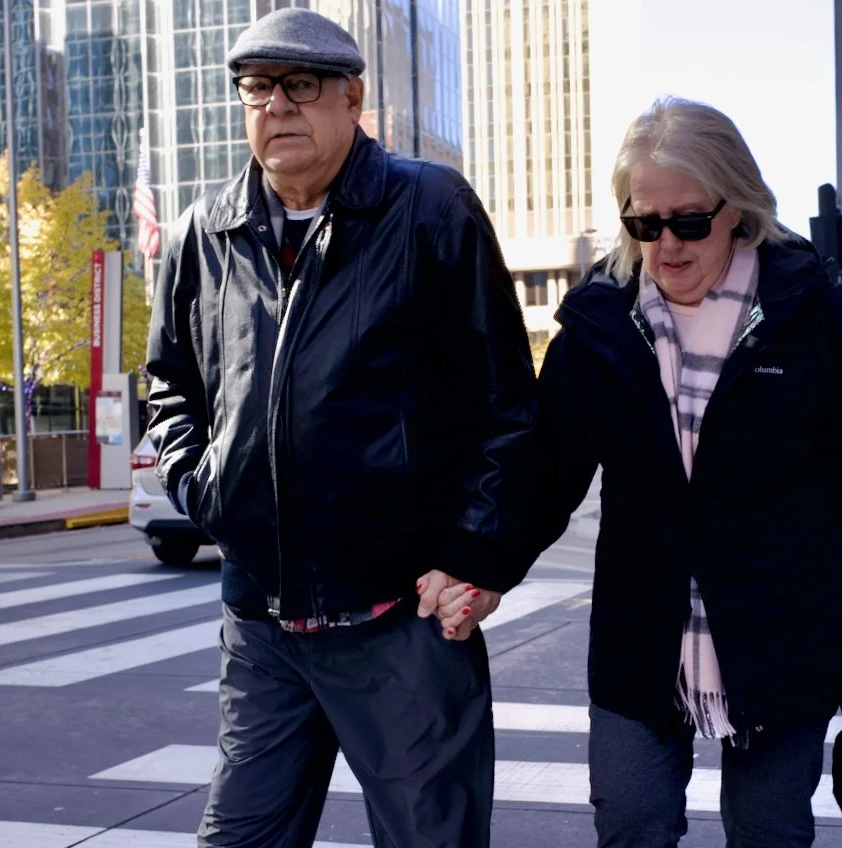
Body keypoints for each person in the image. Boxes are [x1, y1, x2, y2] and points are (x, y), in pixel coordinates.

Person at [144, 9, 537, 847]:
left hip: (401, 622)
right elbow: (171, 387)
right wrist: (206, 490)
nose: (276, 106)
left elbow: (504, 402)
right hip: (262, 623)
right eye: (256, 88)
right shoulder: (203, 232)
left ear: (352, 98)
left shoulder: (429, 208)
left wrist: (475, 554)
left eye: (300, 85)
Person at [504, 98, 842, 848]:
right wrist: (477, 568)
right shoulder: (599, 327)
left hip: (783, 632)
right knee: (631, 822)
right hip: (643, 636)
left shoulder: (812, 315)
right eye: (645, 224)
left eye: (690, 221)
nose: (667, 244)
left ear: (739, 209)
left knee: (767, 831)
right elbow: (544, 476)